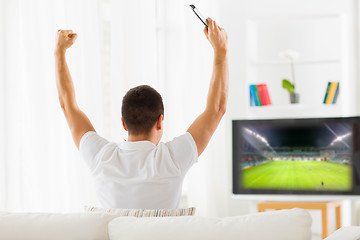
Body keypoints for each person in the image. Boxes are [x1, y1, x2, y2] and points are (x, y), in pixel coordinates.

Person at [54, 18, 229, 209]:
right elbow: (217, 110)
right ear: (160, 121)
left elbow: (68, 106)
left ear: (123, 123)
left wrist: (59, 52)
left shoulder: (101, 157)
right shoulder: (172, 160)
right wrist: (220, 51)